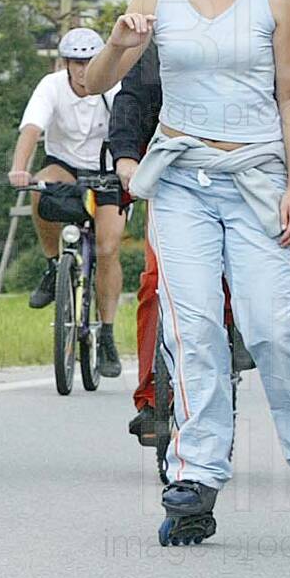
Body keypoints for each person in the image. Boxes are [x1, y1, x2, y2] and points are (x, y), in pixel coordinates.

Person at [82, 0, 290, 546]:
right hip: (182, 182)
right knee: (193, 327)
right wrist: (118, 41)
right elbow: (94, 83)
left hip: (256, 178)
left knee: (269, 326)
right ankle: (195, 475)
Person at [109, 40, 251, 450]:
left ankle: (237, 337)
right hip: (172, 180)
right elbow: (130, 101)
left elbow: (283, 102)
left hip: (239, 176)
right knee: (156, 283)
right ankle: (154, 397)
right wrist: (125, 157)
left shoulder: (249, 40)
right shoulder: (159, 47)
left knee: (238, 279)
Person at [8, 27, 125, 376]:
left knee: (107, 248)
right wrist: (19, 168)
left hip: (107, 171)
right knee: (39, 189)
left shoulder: (115, 87)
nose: (83, 69)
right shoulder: (52, 86)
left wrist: (128, 170)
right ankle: (52, 265)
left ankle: (107, 333)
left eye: (90, 61)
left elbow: (129, 131)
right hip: (65, 166)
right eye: (76, 62)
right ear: (65, 64)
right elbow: (31, 128)